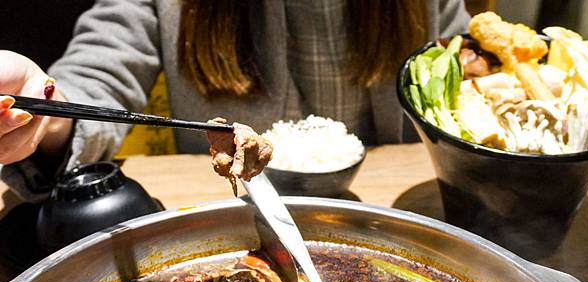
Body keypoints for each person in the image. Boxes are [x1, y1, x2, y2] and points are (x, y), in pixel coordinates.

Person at [0, 0, 470, 202]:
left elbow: (460, 55)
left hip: (382, 205)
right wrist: (45, 112)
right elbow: (100, 68)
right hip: (221, 208)